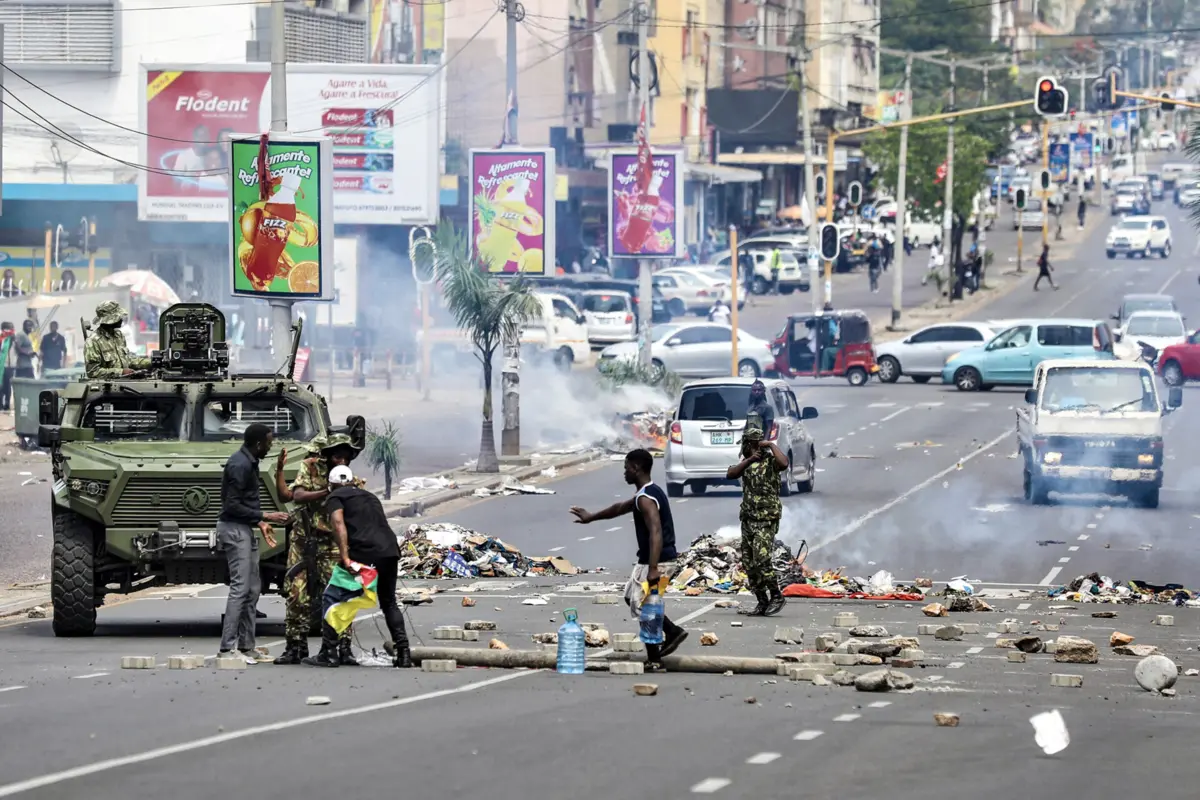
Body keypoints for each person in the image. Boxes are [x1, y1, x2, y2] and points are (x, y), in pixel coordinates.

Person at [569, 449, 688, 672]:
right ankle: (672, 632)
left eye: (626, 468)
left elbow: (656, 532)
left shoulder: (646, 498)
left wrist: (653, 569)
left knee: (648, 607)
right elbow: (619, 508)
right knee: (631, 597)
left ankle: (655, 659)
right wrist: (591, 517)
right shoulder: (646, 493)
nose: (624, 473)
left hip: (659, 561)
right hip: (652, 560)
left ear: (636, 468)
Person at [303, 465, 412, 668]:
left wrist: (345, 557)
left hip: (363, 553)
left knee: (332, 597)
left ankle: (329, 652)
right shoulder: (369, 496)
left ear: (331, 484)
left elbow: (338, 524)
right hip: (389, 550)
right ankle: (404, 653)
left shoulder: (335, 497)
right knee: (388, 602)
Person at [272, 433, 364, 666]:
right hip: (304, 542)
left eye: (345, 457)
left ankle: (341, 647)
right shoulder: (310, 468)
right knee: (296, 594)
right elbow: (297, 495)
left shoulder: (353, 481)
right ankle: (295, 646)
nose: (341, 462)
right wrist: (329, 491)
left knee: (340, 596)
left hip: (333, 545)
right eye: (336, 456)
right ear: (327, 456)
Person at [218, 423, 290, 663]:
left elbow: (244, 503)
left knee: (252, 589)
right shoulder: (240, 465)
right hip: (234, 530)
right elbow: (232, 506)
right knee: (240, 589)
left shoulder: (249, 461)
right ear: (259, 443)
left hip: (245, 528)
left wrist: (259, 523)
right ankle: (227, 649)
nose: (270, 446)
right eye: (269, 442)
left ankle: (247, 646)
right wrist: (265, 516)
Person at [726, 416, 789, 616]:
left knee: (762, 559)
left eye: (748, 444)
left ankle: (776, 595)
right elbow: (731, 474)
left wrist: (770, 445)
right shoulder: (745, 463)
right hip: (748, 519)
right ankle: (762, 600)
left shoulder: (771, 462)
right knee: (749, 563)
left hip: (766, 519)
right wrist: (750, 459)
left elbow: (784, 463)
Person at [84, 302, 152, 379]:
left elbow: (127, 360)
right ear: (109, 320)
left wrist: (150, 362)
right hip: (107, 388)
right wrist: (121, 372)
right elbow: (93, 372)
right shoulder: (93, 341)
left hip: (125, 384)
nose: (121, 319)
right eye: (117, 317)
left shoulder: (118, 335)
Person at [0, 323, 14, 412]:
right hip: (1, 365)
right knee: (0, 385)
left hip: (9, 366)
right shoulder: (1, 338)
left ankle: (7, 404)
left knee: (8, 386)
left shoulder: (13, 338)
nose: (8, 330)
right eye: (6, 329)